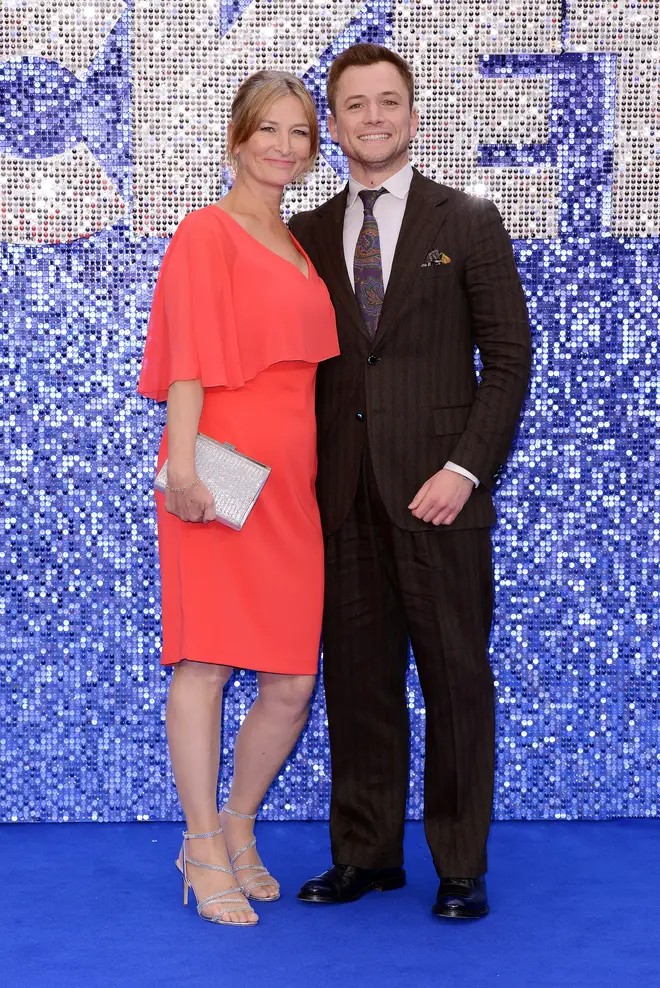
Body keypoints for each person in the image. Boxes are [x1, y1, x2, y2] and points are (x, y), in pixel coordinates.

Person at [289, 44, 531, 919]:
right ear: (335, 126)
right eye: (355, 106)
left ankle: (460, 864)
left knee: (458, 679)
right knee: (356, 683)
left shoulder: (466, 219)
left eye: (388, 101)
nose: (374, 118)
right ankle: (366, 854)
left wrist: (464, 470)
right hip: (343, 500)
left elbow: (507, 360)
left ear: (414, 115)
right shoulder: (309, 233)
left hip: (442, 498)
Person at [138, 70, 339, 926]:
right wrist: (183, 471)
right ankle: (198, 843)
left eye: (299, 133)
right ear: (237, 137)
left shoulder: (297, 243)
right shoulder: (205, 232)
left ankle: (238, 824)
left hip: (291, 488)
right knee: (207, 662)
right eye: (270, 129)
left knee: (293, 680)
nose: (284, 147)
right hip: (217, 474)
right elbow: (187, 362)